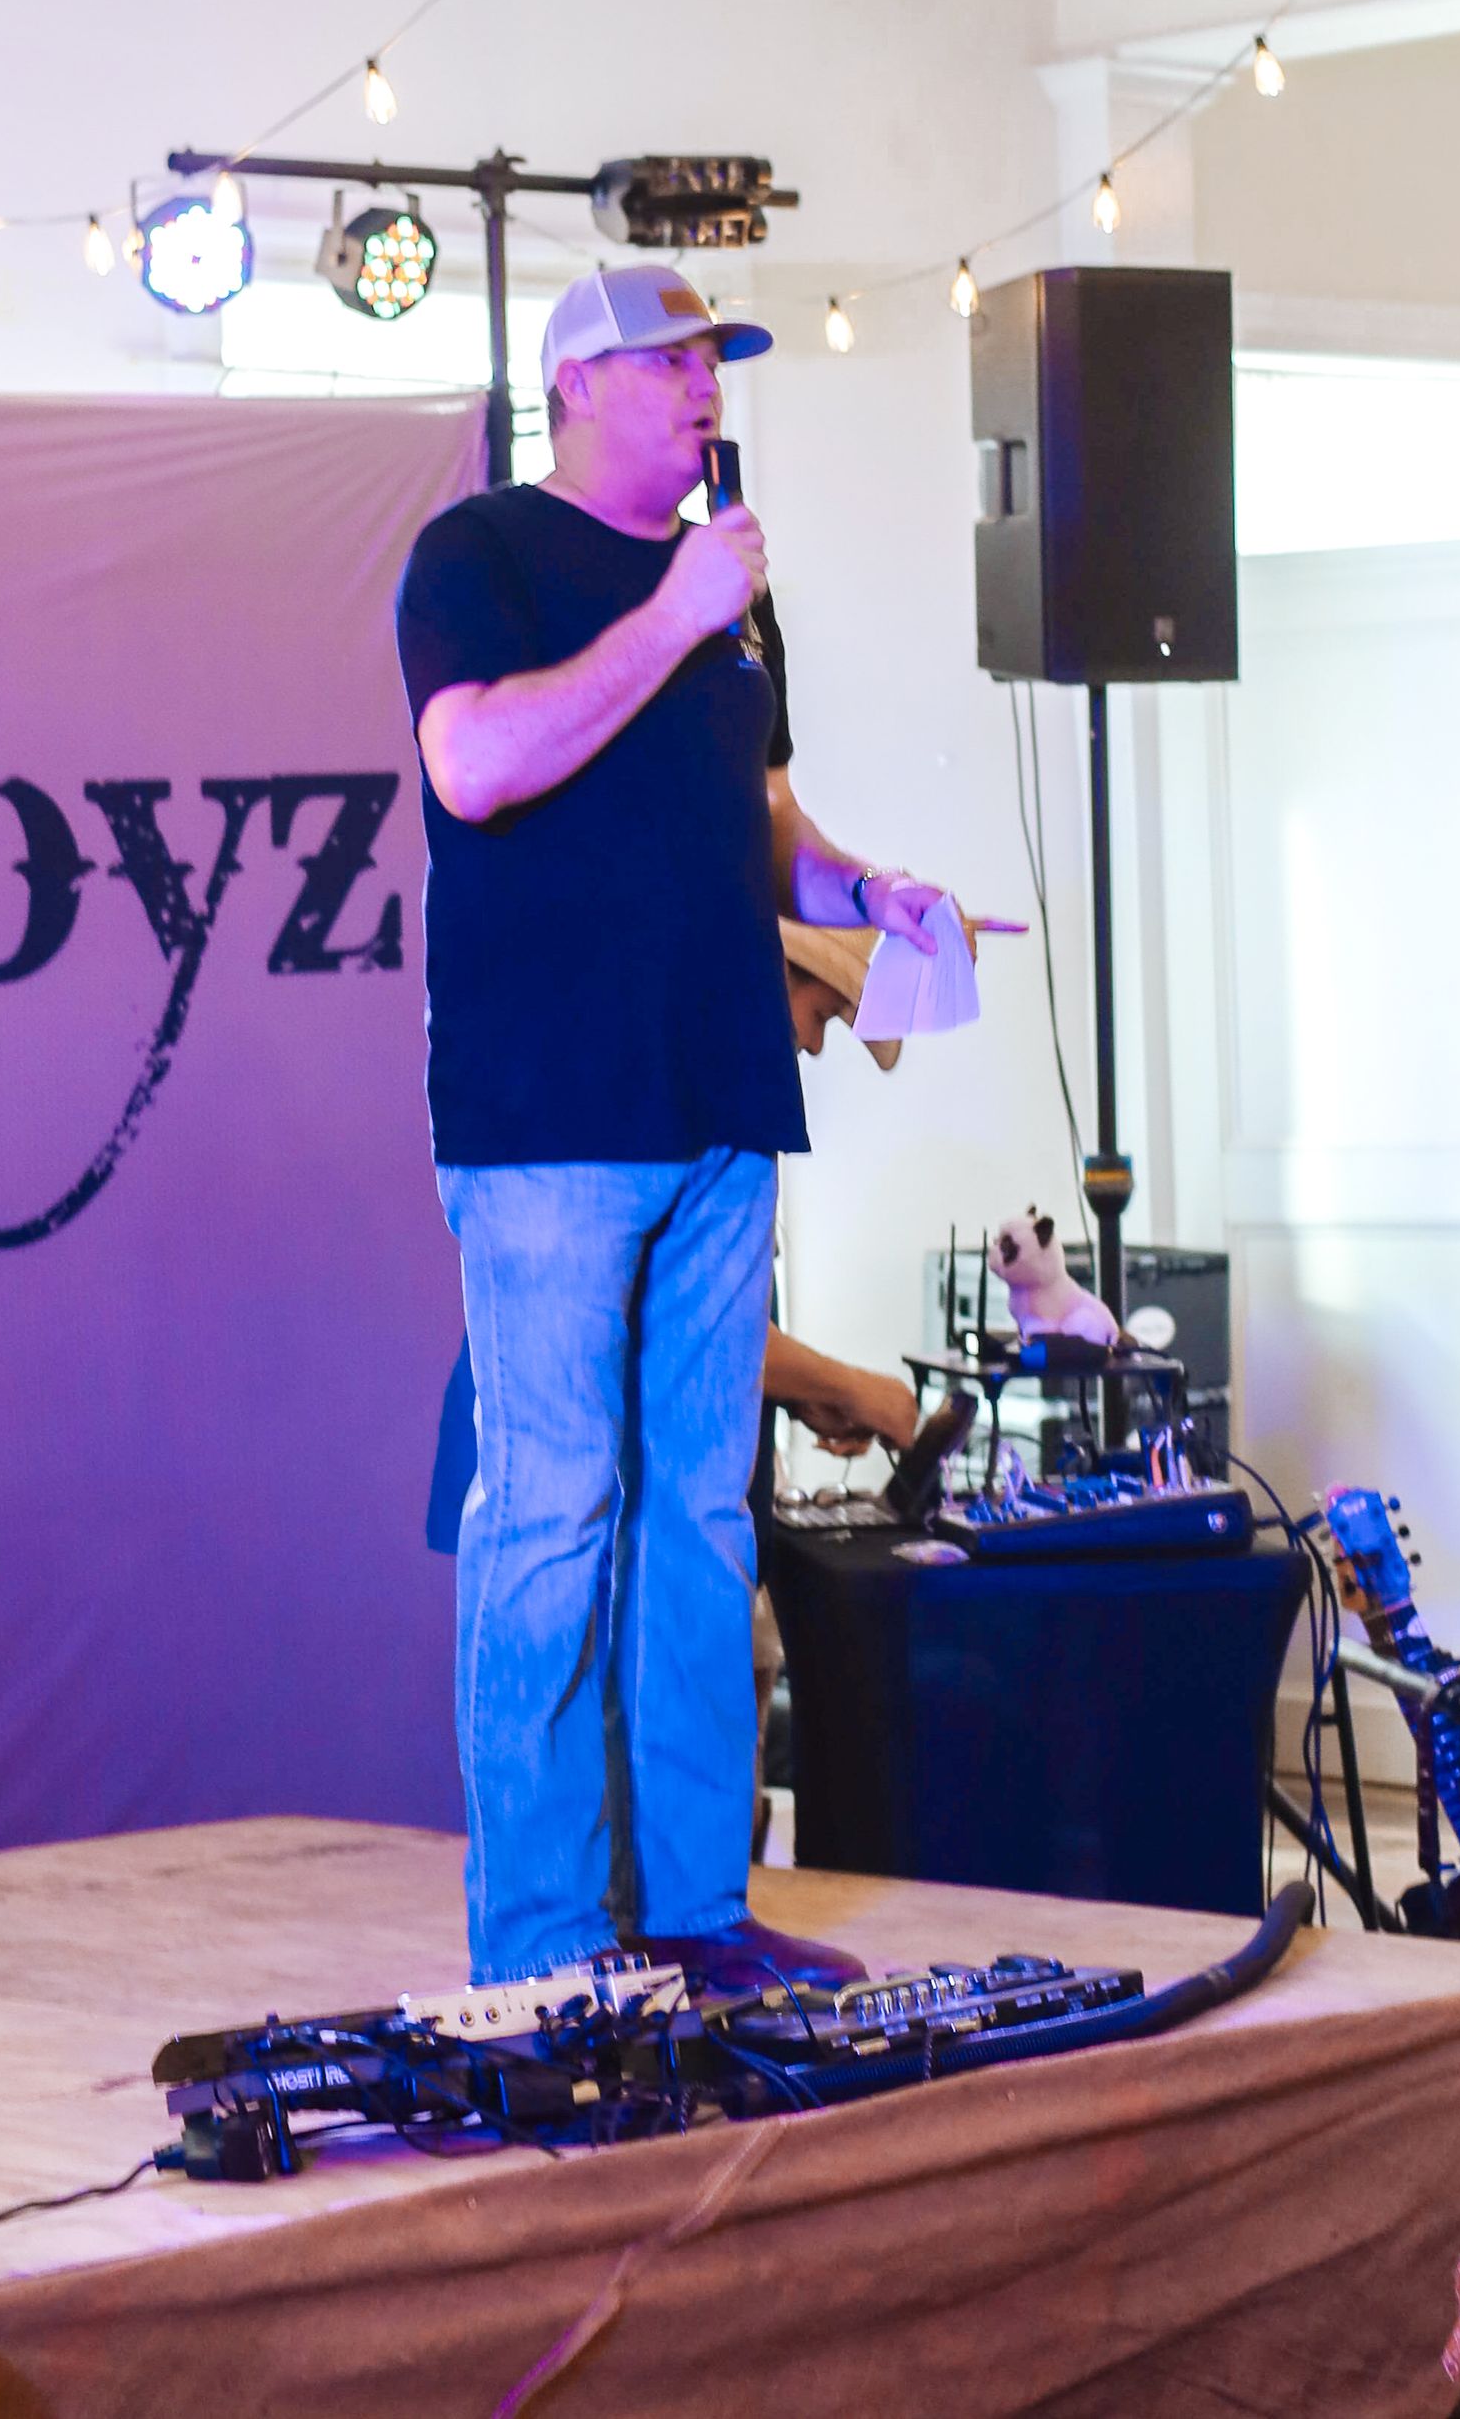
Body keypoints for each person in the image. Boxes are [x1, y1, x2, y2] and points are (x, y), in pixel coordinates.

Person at [395, 262, 958, 1996]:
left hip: (721, 1095)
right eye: (670, 361)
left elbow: (761, 808)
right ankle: (546, 1938)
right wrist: (673, 609)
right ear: (576, 383)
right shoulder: (482, 554)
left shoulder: (734, 592)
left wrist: (862, 887)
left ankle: (700, 1912)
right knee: (552, 1508)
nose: (706, 385)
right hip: (553, 1115)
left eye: (716, 359)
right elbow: (475, 764)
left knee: (702, 1517)